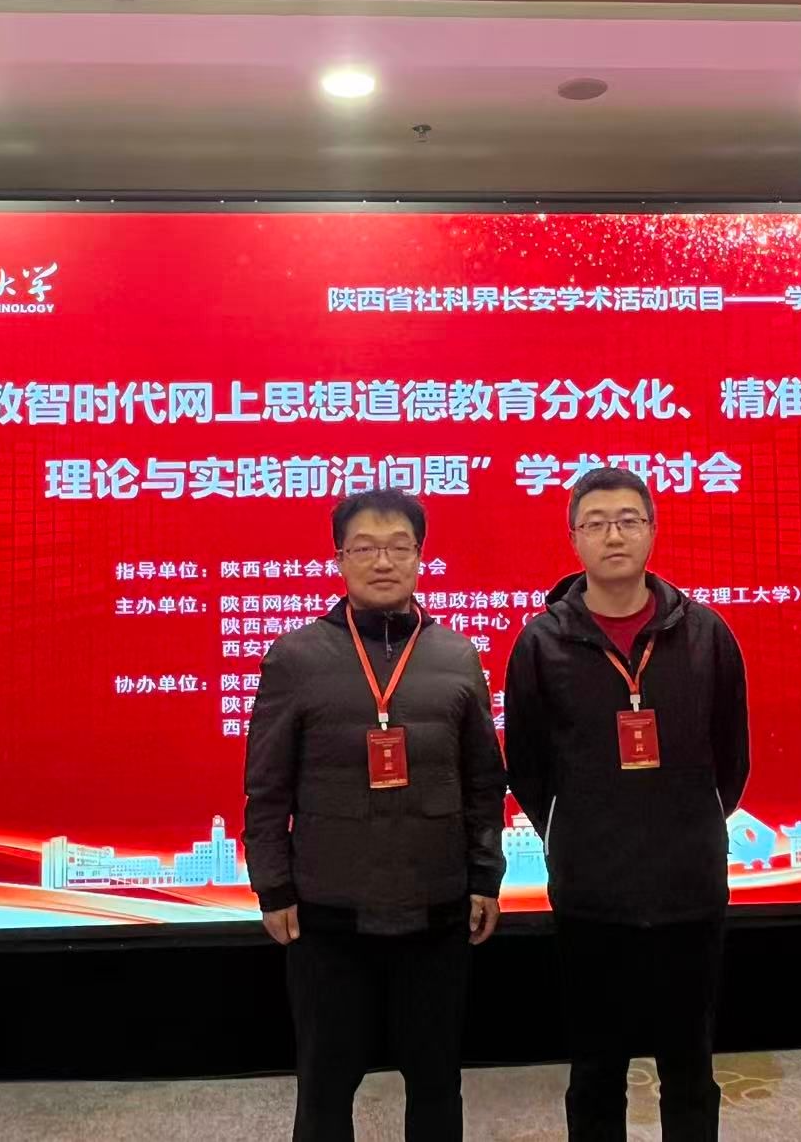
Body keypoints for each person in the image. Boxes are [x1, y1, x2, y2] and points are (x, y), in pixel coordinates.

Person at [245, 488, 508, 1142]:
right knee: (325, 1087)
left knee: (437, 1083)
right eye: (365, 547)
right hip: (328, 915)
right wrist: (272, 886)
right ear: (339, 558)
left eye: (399, 547)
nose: (383, 561)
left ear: (421, 557)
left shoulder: (456, 655)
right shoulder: (296, 657)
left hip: (436, 908)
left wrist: (485, 876)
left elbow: (484, 779)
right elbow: (267, 786)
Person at [504, 466, 750, 1142]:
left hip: (689, 888)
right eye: (596, 523)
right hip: (592, 894)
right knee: (595, 1071)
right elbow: (527, 766)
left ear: (651, 530)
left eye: (628, 521)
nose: (613, 536)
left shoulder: (706, 635)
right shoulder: (541, 643)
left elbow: (731, 759)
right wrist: (580, 830)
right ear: (574, 538)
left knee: (689, 1069)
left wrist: (689, 822)